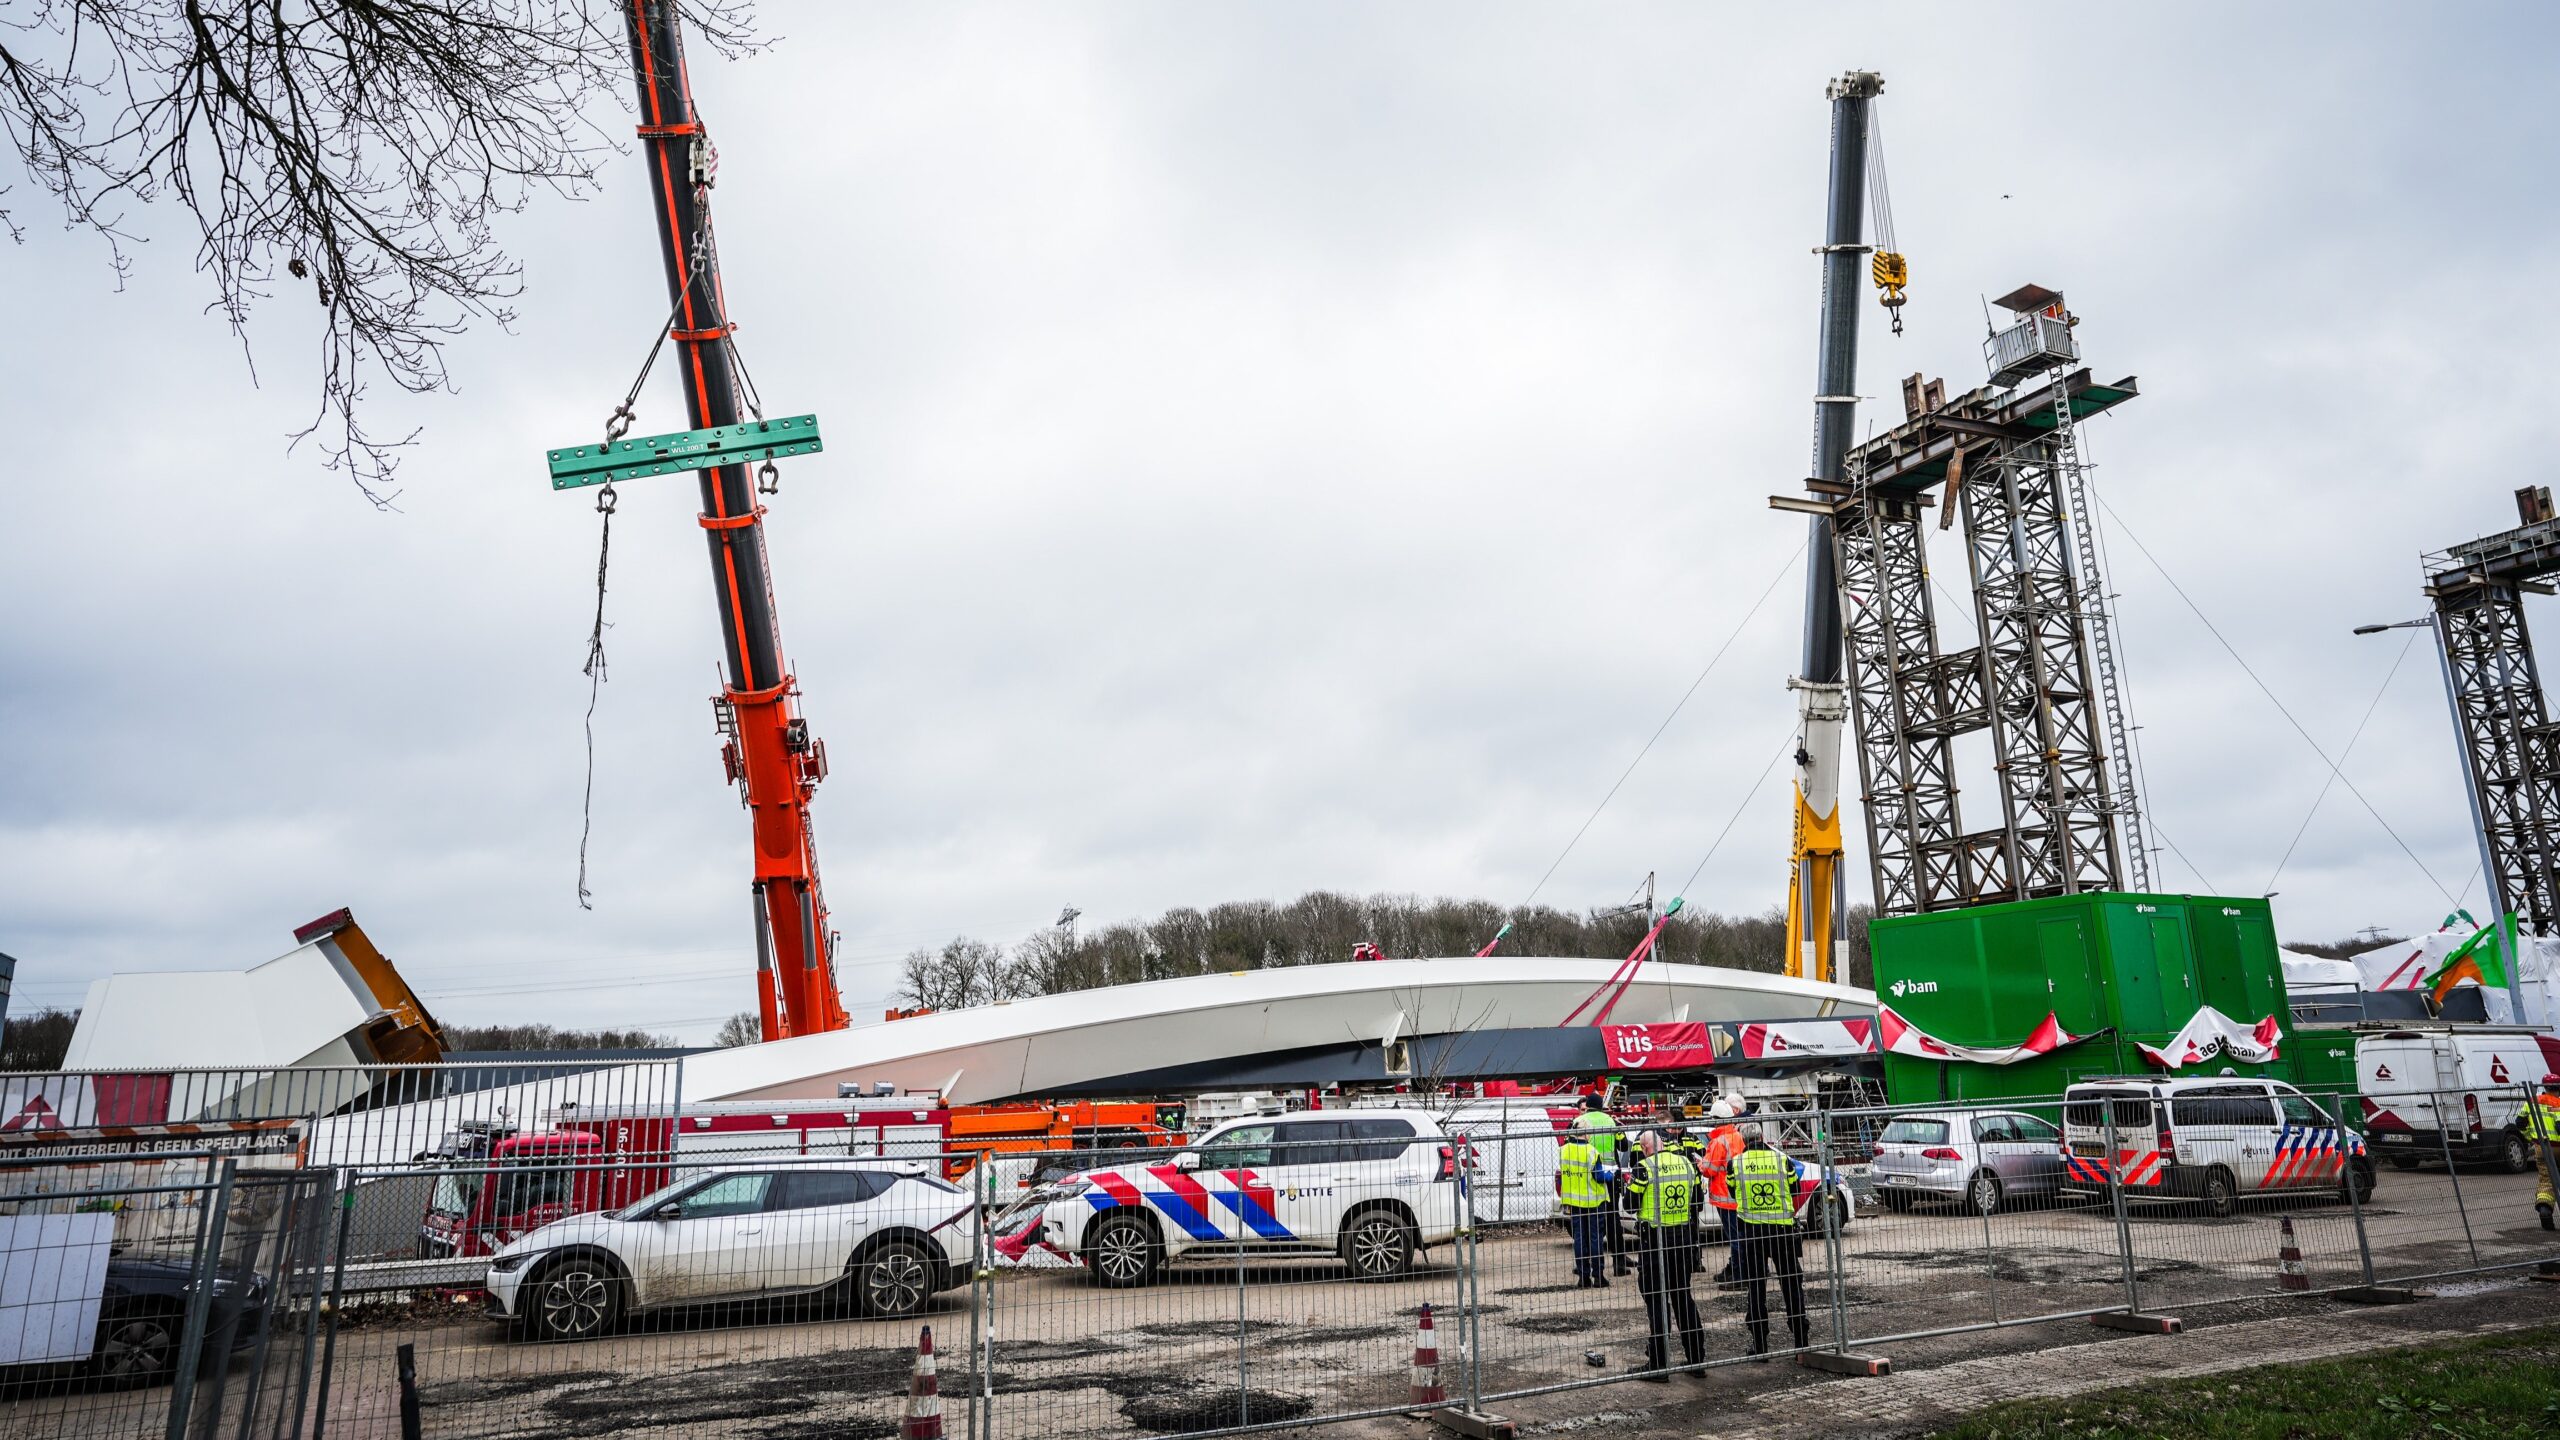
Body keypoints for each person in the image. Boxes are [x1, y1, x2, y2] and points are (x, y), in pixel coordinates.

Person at [1727, 1122, 1811, 1359]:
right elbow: (1795, 1189)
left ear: (1743, 1140)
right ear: (1762, 1136)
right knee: (1791, 1284)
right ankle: (1801, 1341)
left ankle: (1760, 1344)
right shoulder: (1781, 1160)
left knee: (1756, 1287)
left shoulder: (1736, 1163)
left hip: (1752, 1232)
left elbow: (1733, 1192)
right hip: (1782, 1231)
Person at [1625, 1129, 1704, 1379]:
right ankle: (1696, 1360)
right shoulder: (1687, 1164)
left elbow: (1629, 1205)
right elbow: (1698, 1201)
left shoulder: (1644, 1168)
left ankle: (1659, 1364)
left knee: (1657, 1302)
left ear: (1645, 1148)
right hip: (1682, 1238)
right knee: (1683, 1297)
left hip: (1655, 1240)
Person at [1572, 1091, 1633, 1276]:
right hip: (1610, 1177)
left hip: (1586, 1178)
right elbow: (1623, 1146)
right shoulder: (1610, 1121)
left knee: (1587, 1222)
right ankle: (1619, 1264)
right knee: (1612, 1219)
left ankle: (1585, 1264)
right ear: (1601, 1106)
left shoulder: (1579, 1122)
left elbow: (1570, 1144)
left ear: (1588, 1106)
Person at [1555, 1125, 1614, 1287]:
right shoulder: (1591, 1152)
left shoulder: (1563, 1150)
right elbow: (1599, 1176)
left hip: (1574, 1202)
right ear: (1587, 1134)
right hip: (1593, 1201)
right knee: (1595, 1238)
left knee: (1579, 1239)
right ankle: (1598, 1276)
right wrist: (1611, 1175)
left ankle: (1583, 1276)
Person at [1700, 1098, 1747, 1286]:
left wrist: (1701, 1164)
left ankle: (1738, 1275)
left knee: (1735, 1238)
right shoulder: (1737, 1136)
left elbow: (1709, 1170)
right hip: (1738, 1194)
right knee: (1741, 1236)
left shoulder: (1718, 1141)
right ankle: (1738, 1270)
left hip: (1724, 1196)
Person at [2527, 1075, 2560, 1231]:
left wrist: (2531, 1137)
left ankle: (2545, 1210)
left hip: (2541, 1146)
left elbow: (2520, 1123)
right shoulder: (2557, 1103)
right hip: (2558, 1146)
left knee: (2546, 1180)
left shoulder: (2531, 1102)